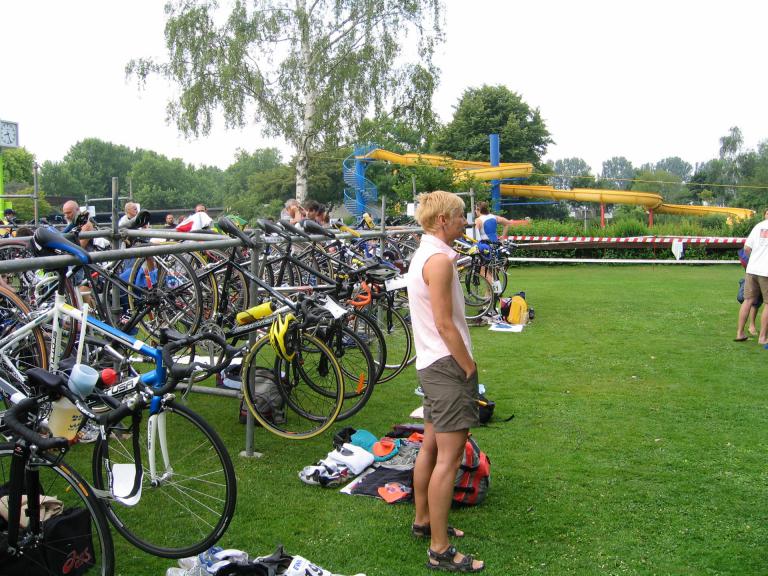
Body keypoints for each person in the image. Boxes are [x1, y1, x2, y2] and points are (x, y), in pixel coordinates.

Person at [406, 190, 484, 573]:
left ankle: (424, 521)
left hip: (431, 364)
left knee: (431, 448)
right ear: (442, 221)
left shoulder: (426, 254)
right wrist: (468, 366)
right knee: (448, 459)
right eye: (459, 216)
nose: (464, 222)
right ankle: (439, 548)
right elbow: (444, 324)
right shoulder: (438, 261)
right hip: (446, 367)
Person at [736, 208, 768, 343]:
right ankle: (762, 337)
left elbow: (747, 248)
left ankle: (740, 333)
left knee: (747, 300)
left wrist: (754, 259)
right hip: (766, 272)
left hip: (752, 269)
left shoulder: (758, 226)